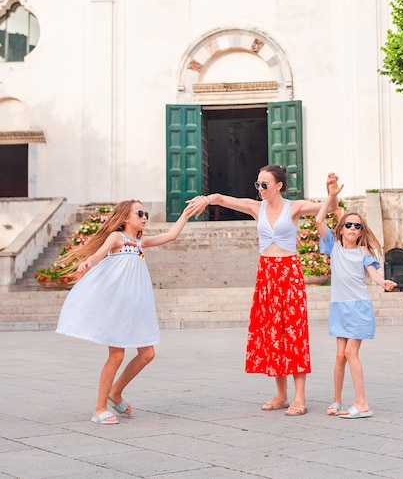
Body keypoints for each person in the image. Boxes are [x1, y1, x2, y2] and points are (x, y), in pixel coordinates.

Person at [187, 166, 340, 416]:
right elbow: (223, 199)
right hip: (266, 274)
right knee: (272, 333)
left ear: (279, 185)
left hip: (289, 274)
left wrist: (332, 194)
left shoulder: (295, 207)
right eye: (257, 185)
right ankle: (281, 394)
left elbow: (330, 208)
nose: (260, 189)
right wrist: (206, 199)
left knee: (293, 333)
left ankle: (299, 397)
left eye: (265, 185)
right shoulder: (255, 208)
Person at [56, 200, 193, 424]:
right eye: (139, 213)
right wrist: (87, 263)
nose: (144, 216)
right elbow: (98, 255)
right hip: (118, 305)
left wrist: (186, 214)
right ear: (126, 218)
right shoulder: (117, 238)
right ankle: (99, 409)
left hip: (137, 306)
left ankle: (115, 392)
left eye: (145, 212)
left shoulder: (140, 243)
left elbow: (170, 236)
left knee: (147, 353)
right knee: (117, 355)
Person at [315, 180, 397, 419]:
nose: (352, 228)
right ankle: (337, 401)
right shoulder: (334, 247)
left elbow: (374, 274)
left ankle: (362, 403)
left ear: (361, 232)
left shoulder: (364, 253)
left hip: (358, 308)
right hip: (339, 308)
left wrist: (383, 282)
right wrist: (330, 196)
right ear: (340, 229)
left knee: (351, 354)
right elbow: (319, 221)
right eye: (348, 225)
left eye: (357, 226)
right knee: (339, 356)